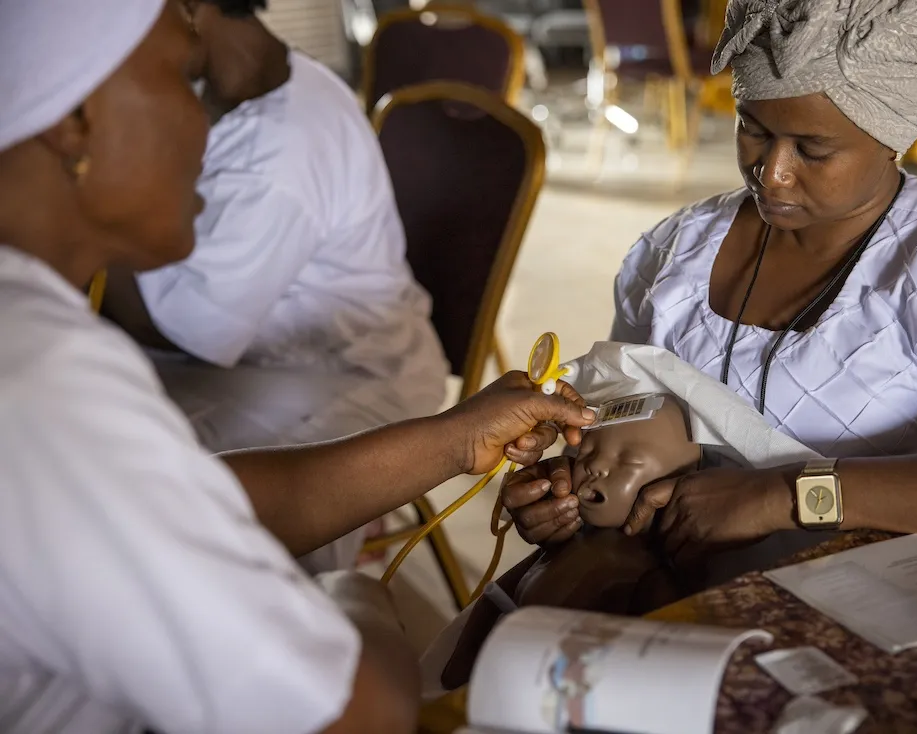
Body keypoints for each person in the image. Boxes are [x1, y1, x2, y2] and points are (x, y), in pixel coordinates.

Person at [0, 3, 593, 732]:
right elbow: (356, 713)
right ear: (75, 119)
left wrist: (455, 439)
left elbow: (192, 494)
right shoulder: (45, 383)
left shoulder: (31, 346)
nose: (207, 123)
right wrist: (355, 600)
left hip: (338, 376)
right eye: (184, 81)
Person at [503, 0, 917, 565]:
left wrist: (786, 496)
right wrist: (574, 487)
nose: (772, 172)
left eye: (813, 149)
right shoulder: (674, 251)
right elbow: (623, 416)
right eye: (754, 129)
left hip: (873, 593)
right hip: (674, 578)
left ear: (895, 138)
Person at [100, 0, 450, 572]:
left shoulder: (280, 150)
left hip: (351, 374)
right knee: (95, 430)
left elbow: (186, 329)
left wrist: (76, 232)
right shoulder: (239, 87)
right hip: (254, 358)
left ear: (190, 9)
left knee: (180, 496)